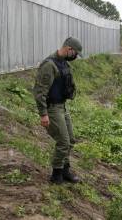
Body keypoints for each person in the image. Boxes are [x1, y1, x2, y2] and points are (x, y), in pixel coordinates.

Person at [32, 37, 83, 184]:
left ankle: (65, 170)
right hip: (52, 109)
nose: (75, 57)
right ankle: (56, 174)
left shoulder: (63, 64)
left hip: (62, 106)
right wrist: (43, 114)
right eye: (75, 54)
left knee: (70, 140)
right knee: (63, 141)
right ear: (69, 49)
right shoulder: (49, 65)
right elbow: (40, 92)